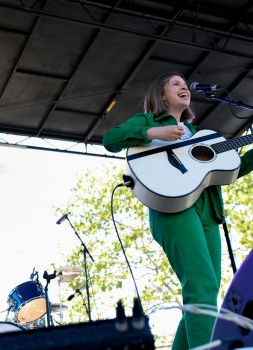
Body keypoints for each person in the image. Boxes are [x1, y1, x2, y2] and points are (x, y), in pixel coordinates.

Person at [102, 71, 253, 349]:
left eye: (185, 85)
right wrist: (152, 132)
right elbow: (111, 139)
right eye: (176, 84)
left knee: (203, 294)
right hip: (173, 210)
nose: (184, 87)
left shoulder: (201, 136)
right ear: (161, 95)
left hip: (208, 213)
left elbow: (232, 170)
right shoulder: (148, 122)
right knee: (202, 285)